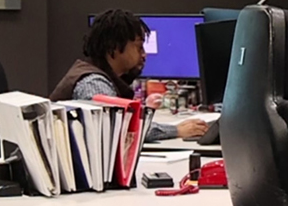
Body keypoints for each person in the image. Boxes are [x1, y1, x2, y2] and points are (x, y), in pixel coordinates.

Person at [54, 9, 209, 142]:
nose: (144, 54)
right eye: (139, 47)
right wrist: (176, 130)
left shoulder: (101, 77)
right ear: (113, 47)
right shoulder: (93, 84)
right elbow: (123, 130)